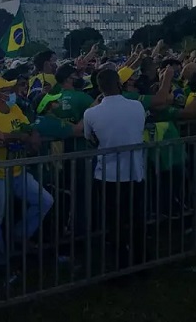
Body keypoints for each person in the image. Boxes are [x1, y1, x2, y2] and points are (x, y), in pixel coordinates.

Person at [0, 76, 52, 263]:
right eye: (7, 90)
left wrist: (33, 134)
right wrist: (21, 136)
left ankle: (19, 235)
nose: (12, 93)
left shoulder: (16, 108)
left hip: (18, 171)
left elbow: (28, 126)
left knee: (45, 200)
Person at [83, 69, 146, 269]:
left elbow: (89, 137)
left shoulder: (91, 113)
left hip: (108, 175)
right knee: (135, 219)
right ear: (119, 83)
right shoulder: (137, 106)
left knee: (114, 222)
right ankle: (140, 260)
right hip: (135, 172)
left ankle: (119, 264)